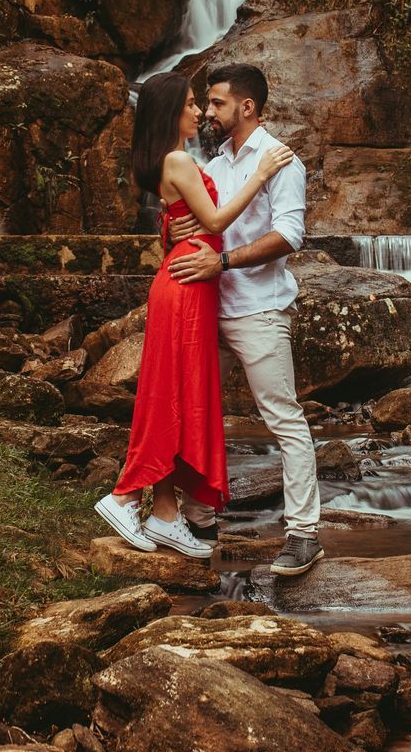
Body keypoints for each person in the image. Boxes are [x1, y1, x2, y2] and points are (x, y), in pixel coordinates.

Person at [94, 70, 295, 558]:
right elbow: (218, 220)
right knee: (172, 396)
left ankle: (165, 514)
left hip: (191, 283)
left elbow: (191, 219)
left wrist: (170, 229)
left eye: (202, 103)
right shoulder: (180, 159)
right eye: (190, 103)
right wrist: (262, 173)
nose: (199, 112)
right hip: (187, 287)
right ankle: (125, 495)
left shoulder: (176, 161)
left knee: (180, 393)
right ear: (169, 112)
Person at [166, 62, 323, 577]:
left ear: (246, 107)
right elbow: (199, 223)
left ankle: (303, 534)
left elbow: (289, 235)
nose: (207, 110)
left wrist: (225, 261)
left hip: (258, 307)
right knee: (196, 413)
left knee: (283, 418)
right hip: (206, 308)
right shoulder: (214, 164)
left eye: (215, 102)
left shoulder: (281, 162)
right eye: (205, 104)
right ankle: (199, 521)